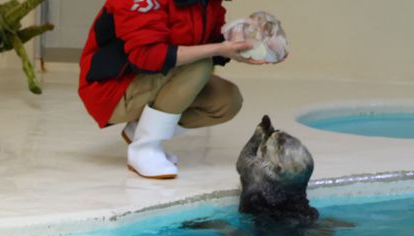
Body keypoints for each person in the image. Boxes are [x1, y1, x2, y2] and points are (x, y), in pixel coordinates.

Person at [78, 0, 270, 179]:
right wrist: (217, 49)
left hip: (155, 78)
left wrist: (239, 39)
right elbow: (148, 56)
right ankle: (144, 148)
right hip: (110, 91)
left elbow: (211, 39)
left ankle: (140, 131)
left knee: (227, 100)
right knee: (200, 64)